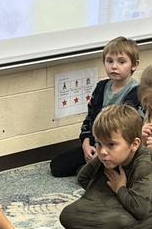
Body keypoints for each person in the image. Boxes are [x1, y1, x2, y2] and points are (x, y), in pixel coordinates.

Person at [34, 104, 152, 229]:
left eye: (111, 145)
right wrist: (102, 162)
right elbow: (83, 177)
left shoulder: (144, 163)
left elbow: (140, 210)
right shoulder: (107, 156)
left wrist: (120, 188)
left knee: (117, 227)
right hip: (125, 213)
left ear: (134, 144)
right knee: (69, 215)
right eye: (99, 143)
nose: (103, 151)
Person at [50, 36, 142, 178]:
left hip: (117, 149)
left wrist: (104, 152)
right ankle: (94, 167)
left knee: (89, 175)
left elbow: (132, 131)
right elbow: (90, 119)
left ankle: (98, 169)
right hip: (96, 143)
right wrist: (86, 144)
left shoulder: (137, 93)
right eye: (109, 61)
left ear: (134, 65)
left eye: (121, 62)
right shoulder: (101, 88)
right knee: (57, 166)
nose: (114, 66)